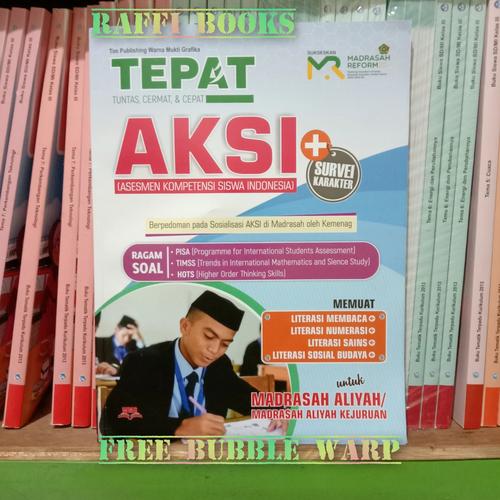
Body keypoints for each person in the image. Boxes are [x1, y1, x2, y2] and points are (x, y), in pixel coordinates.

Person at [100, 290, 285, 436]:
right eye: (209, 336)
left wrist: (281, 411)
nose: (214, 350)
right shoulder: (144, 361)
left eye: (225, 344)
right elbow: (117, 418)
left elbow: (248, 398)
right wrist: (179, 427)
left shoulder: (219, 365)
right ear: (185, 326)